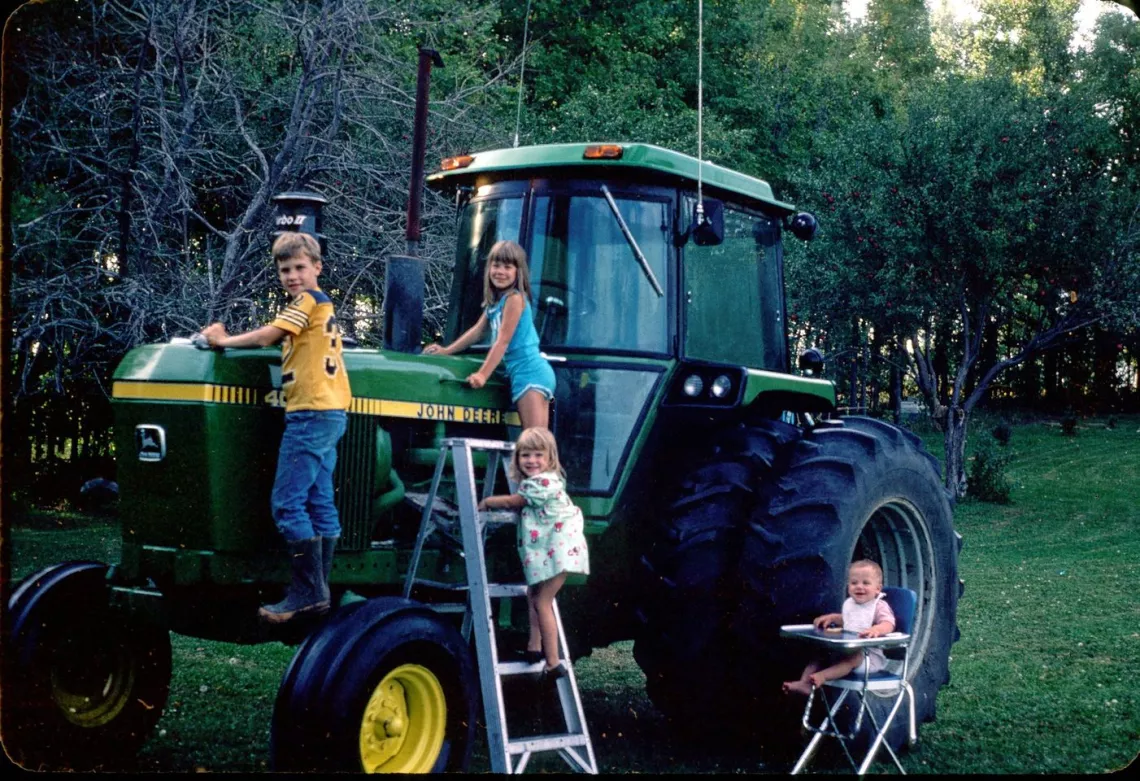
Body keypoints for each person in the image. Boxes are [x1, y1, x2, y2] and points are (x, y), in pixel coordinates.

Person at [200, 232, 351, 624]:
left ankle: (307, 591)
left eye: (300, 267)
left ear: (317, 267)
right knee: (319, 501)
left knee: (286, 503)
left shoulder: (306, 302)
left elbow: (271, 334)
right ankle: (319, 588)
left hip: (311, 413)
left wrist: (221, 340)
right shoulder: (324, 307)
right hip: (331, 412)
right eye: (285, 269)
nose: (292, 275)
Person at [477, 427, 589, 679]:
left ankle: (552, 662)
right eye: (525, 455)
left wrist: (487, 502)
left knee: (542, 601)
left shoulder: (544, 482)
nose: (532, 461)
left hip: (559, 552)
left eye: (538, 455)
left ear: (550, 458)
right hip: (555, 551)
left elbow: (515, 502)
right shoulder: (538, 482)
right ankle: (534, 646)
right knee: (532, 593)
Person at [423, 240, 555, 430]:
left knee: (534, 440)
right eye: (496, 265)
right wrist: (446, 351)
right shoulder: (495, 304)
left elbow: (503, 341)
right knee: (539, 442)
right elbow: (477, 332)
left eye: (507, 267)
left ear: (518, 272)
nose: (500, 271)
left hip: (530, 372)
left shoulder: (514, 299)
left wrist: (483, 375)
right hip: (524, 372)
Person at [782, 559, 896, 695]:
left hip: (868, 658)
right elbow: (848, 620)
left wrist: (876, 629)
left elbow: (889, 623)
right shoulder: (850, 604)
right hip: (845, 652)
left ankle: (823, 676)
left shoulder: (878, 606)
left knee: (852, 658)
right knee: (820, 654)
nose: (859, 587)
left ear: (877, 589)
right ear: (848, 586)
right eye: (854, 583)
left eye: (866, 583)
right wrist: (831, 618)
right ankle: (804, 683)